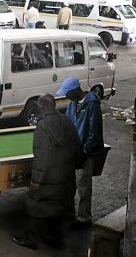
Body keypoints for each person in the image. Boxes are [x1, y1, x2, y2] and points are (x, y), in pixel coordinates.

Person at [11, 94, 83, 250]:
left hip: (48, 178)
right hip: (66, 176)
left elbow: (42, 156)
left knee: (37, 206)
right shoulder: (67, 120)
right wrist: (78, 164)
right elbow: (77, 146)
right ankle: (55, 238)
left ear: (41, 108)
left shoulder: (42, 126)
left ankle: (31, 239)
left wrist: (36, 179)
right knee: (60, 206)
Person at [57, 77, 104, 229]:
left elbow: (94, 132)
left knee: (83, 187)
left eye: (67, 93)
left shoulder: (92, 104)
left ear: (75, 90)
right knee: (69, 185)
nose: (65, 96)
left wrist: (86, 149)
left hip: (85, 153)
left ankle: (84, 218)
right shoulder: (72, 103)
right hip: (72, 151)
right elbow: (69, 124)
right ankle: (69, 213)